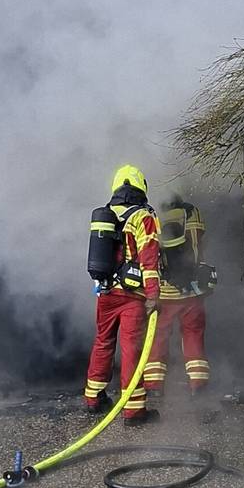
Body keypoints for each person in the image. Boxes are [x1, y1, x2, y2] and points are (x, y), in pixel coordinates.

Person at [83, 164, 162, 427]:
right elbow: (149, 260)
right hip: (132, 296)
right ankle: (134, 411)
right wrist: (153, 295)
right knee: (131, 349)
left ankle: (93, 398)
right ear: (141, 187)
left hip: (105, 293)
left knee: (103, 341)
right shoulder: (143, 217)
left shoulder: (105, 215)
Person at [143, 197, 212, 397]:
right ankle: (198, 383)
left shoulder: (152, 215)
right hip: (192, 289)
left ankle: (154, 385)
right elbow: (199, 243)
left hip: (163, 291)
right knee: (193, 334)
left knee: (158, 337)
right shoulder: (192, 212)